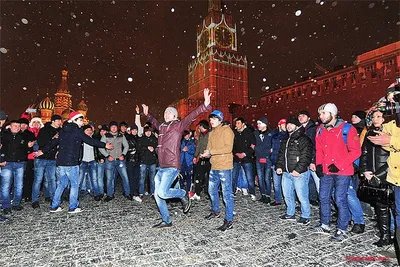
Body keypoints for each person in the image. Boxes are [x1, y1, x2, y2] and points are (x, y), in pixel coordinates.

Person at [142, 88, 212, 229]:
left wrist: (205, 105)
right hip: (161, 166)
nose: (167, 114)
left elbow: (192, 116)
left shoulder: (178, 125)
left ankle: (183, 193)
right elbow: (154, 122)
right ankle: (166, 220)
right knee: (157, 195)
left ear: (174, 116)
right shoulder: (161, 127)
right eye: (165, 112)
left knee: (162, 192)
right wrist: (147, 115)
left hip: (172, 165)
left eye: (170, 113)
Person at [36, 112, 113, 213]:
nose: (82, 122)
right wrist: (104, 145)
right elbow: (89, 141)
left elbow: (53, 142)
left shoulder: (63, 130)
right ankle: (73, 206)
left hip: (61, 162)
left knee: (62, 184)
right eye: (80, 120)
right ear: (75, 120)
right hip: (71, 162)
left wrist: (42, 151)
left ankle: (54, 206)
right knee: (74, 184)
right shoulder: (77, 130)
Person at [313, 103, 361, 242]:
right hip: (327, 170)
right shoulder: (320, 130)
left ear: (332, 114)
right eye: (320, 114)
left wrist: (339, 165)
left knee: (340, 199)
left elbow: (356, 151)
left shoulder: (347, 129)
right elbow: (319, 150)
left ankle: (342, 228)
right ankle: (325, 224)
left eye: (323, 113)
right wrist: (319, 165)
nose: (320, 116)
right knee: (323, 197)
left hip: (343, 171)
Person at [359, 109, 392, 246]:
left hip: (389, 174)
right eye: (373, 117)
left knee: (395, 207)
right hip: (373, 175)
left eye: (379, 116)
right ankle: (385, 236)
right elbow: (364, 153)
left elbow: (393, 158)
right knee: (381, 206)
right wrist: (365, 171)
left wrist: (378, 175)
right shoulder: (369, 133)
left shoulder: (391, 132)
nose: (375, 119)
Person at [202, 110, 235, 231]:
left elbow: (228, 148)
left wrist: (211, 152)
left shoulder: (227, 130)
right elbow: (209, 148)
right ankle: (216, 211)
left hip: (225, 166)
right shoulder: (211, 133)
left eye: (214, 119)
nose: (211, 121)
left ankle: (229, 220)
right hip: (214, 166)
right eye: (210, 119)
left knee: (227, 195)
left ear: (220, 119)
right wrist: (206, 153)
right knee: (211, 191)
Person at [276, 117, 312, 225]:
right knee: (287, 194)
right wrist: (279, 166)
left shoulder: (304, 139)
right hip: (286, 173)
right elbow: (281, 155)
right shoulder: (286, 139)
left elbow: (306, 156)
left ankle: (305, 216)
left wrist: (298, 170)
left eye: (291, 124)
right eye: (288, 124)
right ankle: (290, 213)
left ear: (297, 126)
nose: (288, 126)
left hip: (298, 173)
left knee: (302, 196)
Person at [0, 120, 35, 214]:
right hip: (7, 163)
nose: (17, 127)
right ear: (10, 126)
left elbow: (27, 149)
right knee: (5, 185)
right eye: (15, 126)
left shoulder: (23, 136)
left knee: (19, 185)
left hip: (20, 163)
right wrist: (1, 159)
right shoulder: (4, 135)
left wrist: (29, 147)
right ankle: (6, 205)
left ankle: (16, 203)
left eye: (18, 126)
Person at [31, 115, 62, 208]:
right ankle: (35, 200)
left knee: (52, 179)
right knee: (38, 180)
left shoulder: (60, 131)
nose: (60, 123)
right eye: (58, 121)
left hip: (52, 159)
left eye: (60, 121)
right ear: (53, 121)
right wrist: (53, 138)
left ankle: (54, 199)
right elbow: (41, 143)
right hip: (41, 158)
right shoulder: (44, 130)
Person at [99, 121, 131, 202]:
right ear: (110, 128)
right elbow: (100, 147)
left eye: (115, 127)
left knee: (125, 177)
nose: (114, 128)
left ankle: (127, 193)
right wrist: (107, 155)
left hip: (120, 160)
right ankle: (110, 194)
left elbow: (126, 146)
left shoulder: (121, 135)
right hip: (110, 160)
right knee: (110, 178)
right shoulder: (106, 136)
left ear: (117, 128)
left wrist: (123, 154)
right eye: (112, 126)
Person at [232, 117, 256, 200]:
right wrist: (236, 153)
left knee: (249, 177)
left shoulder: (249, 133)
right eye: (236, 123)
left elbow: (252, 146)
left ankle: (252, 193)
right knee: (234, 176)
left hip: (247, 158)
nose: (237, 125)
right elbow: (232, 145)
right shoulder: (234, 133)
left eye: (238, 123)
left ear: (243, 124)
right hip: (236, 158)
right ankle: (232, 191)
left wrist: (245, 154)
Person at [253, 117, 273, 203]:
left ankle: (268, 195)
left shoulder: (270, 134)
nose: (258, 125)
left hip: (267, 158)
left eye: (260, 123)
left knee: (267, 178)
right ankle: (263, 195)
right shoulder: (255, 133)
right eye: (257, 124)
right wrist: (257, 149)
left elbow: (269, 147)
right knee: (260, 178)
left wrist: (257, 148)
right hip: (258, 158)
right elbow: (253, 145)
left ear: (265, 124)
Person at [269, 118, 288, 206]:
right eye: (283, 124)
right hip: (275, 161)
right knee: (276, 184)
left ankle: (288, 200)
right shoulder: (274, 135)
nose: (285, 126)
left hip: (285, 163)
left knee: (286, 185)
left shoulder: (288, 135)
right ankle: (278, 199)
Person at [137, 126, 158, 199]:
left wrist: (154, 149)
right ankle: (141, 192)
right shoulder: (141, 139)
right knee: (142, 178)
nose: (148, 133)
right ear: (144, 132)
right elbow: (138, 149)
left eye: (149, 131)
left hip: (152, 161)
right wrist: (147, 148)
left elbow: (158, 148)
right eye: (146, 131)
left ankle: (153, 193)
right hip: (143, 161)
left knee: (152, 179)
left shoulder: (155, 139)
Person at [192, 120, 211, 200]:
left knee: (210, 176)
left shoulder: (210, 134)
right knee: (199, 175)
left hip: (209, 158)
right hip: (201, 158)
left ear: (202, 126)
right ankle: (197, 193)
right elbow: (198, 146)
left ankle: (209, 192)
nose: (198, 128)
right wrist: (195, 156)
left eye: (199, 126)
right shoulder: (201, 135)